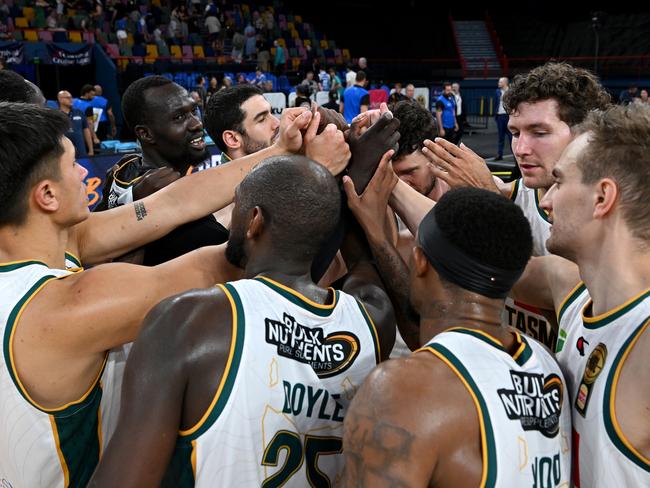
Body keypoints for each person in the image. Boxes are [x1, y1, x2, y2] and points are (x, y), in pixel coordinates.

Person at [0, 100, 319, 487]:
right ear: (47, 196)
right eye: (72, 165)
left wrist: (278, 152)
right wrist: (313, 178)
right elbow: (222, 263)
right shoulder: (67, 307)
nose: (84, 171)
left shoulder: (52, 246)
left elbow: (171, 204)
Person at [89, 155, 396, 487]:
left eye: (237, 204)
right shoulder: (373, 318)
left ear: (254, 220)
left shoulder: (188, 321)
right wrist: (354, 170)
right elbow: (365, 261)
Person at [341, 185, 571, 486]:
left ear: (420, 262)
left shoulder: (399, 390)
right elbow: (448, 353)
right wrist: (379, 241)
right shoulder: (545, 362)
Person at [420, 62, 611, 351]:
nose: (521, 149)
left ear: (584, 135)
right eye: (516, 133)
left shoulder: (613, 217)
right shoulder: (510, 192)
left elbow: (580, 324)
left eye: (539, 132)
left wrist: (487, 202)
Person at [512, 103, 650, 487]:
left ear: (602, 198)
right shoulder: (577, 296)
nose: (546, 200)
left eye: (560, 181)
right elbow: (468, 258)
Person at [57, 90, 94, 157]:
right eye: (68, 98)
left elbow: (86, 131)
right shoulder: (56, 115)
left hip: (81, 151)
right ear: (60, 99)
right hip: (64, 153)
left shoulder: (79, 112)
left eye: (71, 97)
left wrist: (91, 150)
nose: (71, 99)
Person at [495, 76, 511, 160]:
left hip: (508, 116)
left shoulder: (510, 91)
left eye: (500, 82)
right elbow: (496, 102)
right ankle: (499, 154)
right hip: (500, 116)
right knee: (500, 137)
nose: (498, 83)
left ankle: (515, 155)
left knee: (511, 136)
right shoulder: (497, 91)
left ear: (505, 83)